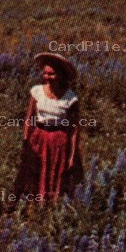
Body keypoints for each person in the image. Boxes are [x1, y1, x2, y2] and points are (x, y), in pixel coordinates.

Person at [15, 52, 84, 203]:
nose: (47, 77)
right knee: (35, 171)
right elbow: (30, 118)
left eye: (51, 74)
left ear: (60, 75)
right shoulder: (37, 91)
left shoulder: (70, 97)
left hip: (59, 140)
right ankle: (34, 205)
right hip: (39, 137)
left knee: (55, 173)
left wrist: (72, 155)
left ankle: (52, 206)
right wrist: (26, 140)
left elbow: (74, 129)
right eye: (45, 73)